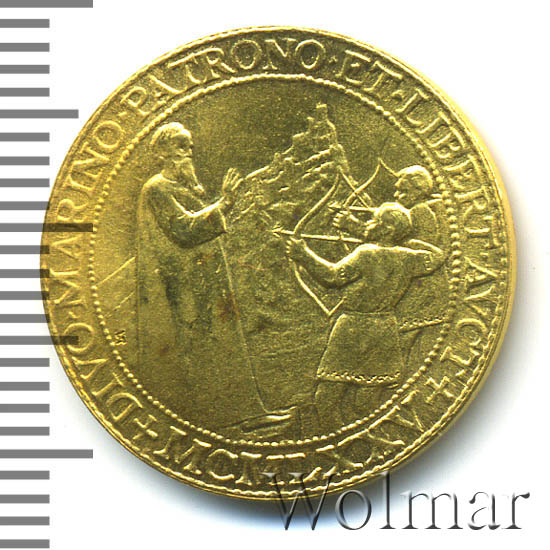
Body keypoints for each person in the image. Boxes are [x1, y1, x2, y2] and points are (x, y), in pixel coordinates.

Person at [136, 122, 267, 429]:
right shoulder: (156, 189)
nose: (189, 151)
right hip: (182, 290)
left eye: (190, 145)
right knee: (200, 347)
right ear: (162, 152)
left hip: (205, 283)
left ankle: (247, 414)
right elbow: (183, 230)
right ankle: (217, 420)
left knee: (223, 342)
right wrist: (224, 203)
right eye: (181, 145)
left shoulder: (183, 188)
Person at [285, 202, 444, 432]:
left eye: (375, 220)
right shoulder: (409, 258)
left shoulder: (366, 253)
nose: (368, 223)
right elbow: (438, 256)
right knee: (366, 403)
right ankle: (363, 437)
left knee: (326, 398)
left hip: (353, 327)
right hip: (385, 329)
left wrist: (304, 254)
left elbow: (332, 276)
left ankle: (338, 438)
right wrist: (405, 241)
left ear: (387, 229)